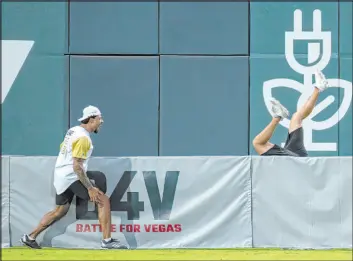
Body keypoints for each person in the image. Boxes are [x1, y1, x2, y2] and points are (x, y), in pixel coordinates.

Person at [21, 105, 128, 249]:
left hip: (61, 175)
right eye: (99, 119)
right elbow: (77, 166)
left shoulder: (73, 131)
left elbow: (63, 148)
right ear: (91, 119)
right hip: (71, 176)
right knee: (103, 200)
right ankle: (107, 241)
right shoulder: (84, 138)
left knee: (60, 211)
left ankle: (30, 237)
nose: (101, 122)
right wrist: (90, 187)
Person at [252, 70, 329, 157]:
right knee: (258, 143)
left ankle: (319, 87)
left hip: (294, 155)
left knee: (297, 117)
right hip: (293, 161)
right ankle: (277, 117)